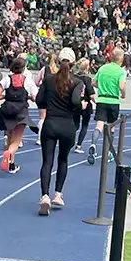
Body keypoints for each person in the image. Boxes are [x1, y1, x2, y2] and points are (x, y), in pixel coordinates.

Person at [35, 47, 85, 214]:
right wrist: (81, 106)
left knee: (47, 161)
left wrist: (48, 104)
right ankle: (58, 194)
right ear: (73, 64)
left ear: (58, 62)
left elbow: (39, 100)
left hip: (50, 123)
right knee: (63, 160)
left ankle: (44, 196)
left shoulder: (49, 79)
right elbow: (76, 101)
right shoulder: (77, 82)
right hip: (67, 125)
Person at [87, 47, 124, 164]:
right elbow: (121, 86)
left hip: (102, 100)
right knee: (111, 127)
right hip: (113, 101)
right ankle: (108, 152)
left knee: (99, 125)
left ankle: (93, 144)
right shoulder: (120, 71)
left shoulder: (103, 68)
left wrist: (102, 87)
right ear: (121, 60)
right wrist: (123, 94)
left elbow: (93, 82)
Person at [0, 56, 33, 175]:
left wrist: (6, 96)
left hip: (8, 111)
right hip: (21, 112)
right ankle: (8, 154)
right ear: (23, 68)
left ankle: (11, 165)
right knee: (16, 141)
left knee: (9, 137)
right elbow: (35, 97)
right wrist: (28, 97)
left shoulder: (6, 79)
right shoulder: (27, 81)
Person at [73, 56, 96, 153]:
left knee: (75, 124)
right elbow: (91, 94)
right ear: (87, 67)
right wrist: (97, 102)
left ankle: (68, 141)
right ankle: (78, 145)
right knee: (84, 125)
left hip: (76, 103)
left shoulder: (74, 77)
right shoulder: (87, 79)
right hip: (86, 103)